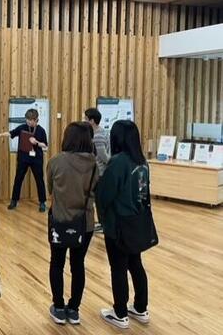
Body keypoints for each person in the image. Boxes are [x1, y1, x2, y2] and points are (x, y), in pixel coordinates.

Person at [96, 120, 151, 329]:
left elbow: (105, 194)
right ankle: (141, 308)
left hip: (118, 223)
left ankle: (120, 313)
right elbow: (144, 195)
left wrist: (102, 216)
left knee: (118, 268)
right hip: (137, 221)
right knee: (135, 264)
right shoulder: (142, 162)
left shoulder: (118, 162)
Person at [46, 122, 98, 326]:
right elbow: (95, 190)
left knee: (57, 263)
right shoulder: (94, 164)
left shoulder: (56, 161)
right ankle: (74, 309)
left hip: (59, 220)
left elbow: (50, 188)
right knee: (78, 265)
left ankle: (58, 307)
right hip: (85, 224)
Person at [0, 108, 48, 212]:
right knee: (18, 178)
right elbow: (11, 133)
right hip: (23, 158)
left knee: (39, 180)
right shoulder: (22, 127)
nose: (28, 122)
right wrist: (1, 135)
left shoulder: (41, 130)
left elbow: (45, 145)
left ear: (36, 120)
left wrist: (36, 142)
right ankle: (14, 201)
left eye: (30, 120)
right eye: (27, 119)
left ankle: (42, 202)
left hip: (36, 159)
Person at [84, 108, 110, 233]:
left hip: (99, 172)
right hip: (98, 171)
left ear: (92, 121)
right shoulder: (101, 132)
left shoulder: (98, 135)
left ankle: (103, 224)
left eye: (86, 118)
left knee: (99, 199)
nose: (84, 120)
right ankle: (101, 222)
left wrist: (110, 164)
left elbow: (103, 156)